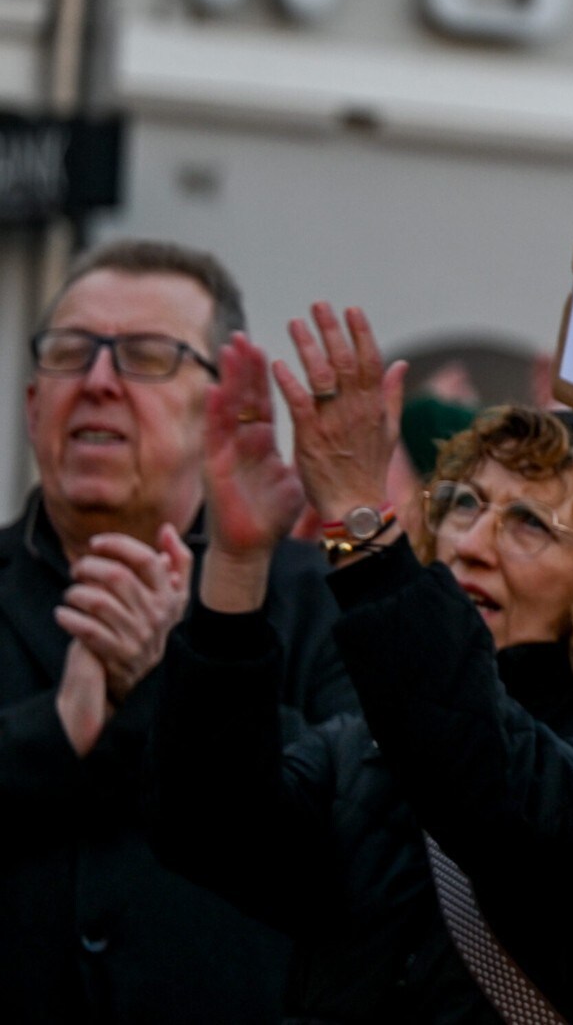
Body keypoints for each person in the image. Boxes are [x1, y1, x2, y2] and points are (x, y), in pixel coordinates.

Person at [149, 306, 573, 1023]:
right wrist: (238, 567)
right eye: (463, 503)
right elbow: (209, 829)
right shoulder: (363, 747)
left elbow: (489, 784)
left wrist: (359, 526)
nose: (472, 543)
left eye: (528, 523)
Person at [1, 239, 355, 1024]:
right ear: (32, 407)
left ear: (219, 409)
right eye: (70, 355)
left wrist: (170, 687)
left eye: (145, 357)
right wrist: (53, 736)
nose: (97, 383)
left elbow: (361, 816)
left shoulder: (314, 600)